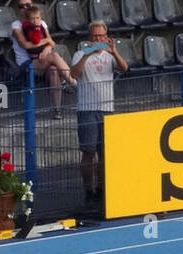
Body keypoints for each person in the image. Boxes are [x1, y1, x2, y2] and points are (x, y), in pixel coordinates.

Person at [70, 22, 127, 203]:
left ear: (106, 36)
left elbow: (124, 68)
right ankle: (89, 190)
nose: (98, 39)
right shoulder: (79, 54)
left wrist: (114, 52)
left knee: (105, 153)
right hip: (87, 109)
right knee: (88, 152)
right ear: (90, 37)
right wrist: (87, 54)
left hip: (107, 108)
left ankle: (103, 188)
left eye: (101, 36)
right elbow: (74, 74)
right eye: (95, 36)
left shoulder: (110, 56)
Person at [12, 4, 75, 115]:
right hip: (26, 63)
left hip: (43, 59)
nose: (25, 8)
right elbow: (26, 45)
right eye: (22, 6)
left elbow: (52, 44)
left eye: (28, 5)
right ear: (19, 9)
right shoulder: (17, 25)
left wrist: (47, 49)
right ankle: (73, 82)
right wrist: (47, 42)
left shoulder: (41, 23)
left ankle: (57, 109)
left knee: (53, 70)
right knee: (55, 56)